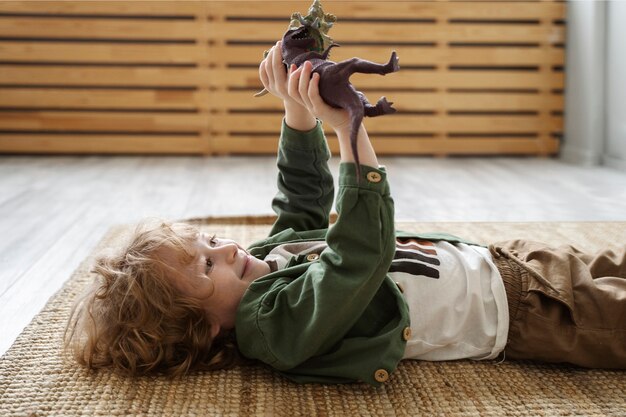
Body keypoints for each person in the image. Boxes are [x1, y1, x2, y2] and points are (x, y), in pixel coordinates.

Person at [65, 42, 626, 387]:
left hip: (507, 263)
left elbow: (300, 200)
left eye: (209, 242)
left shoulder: (261, 262)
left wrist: (295, 111)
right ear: (204, 328)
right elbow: (357, 256)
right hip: (528, 317)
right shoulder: (275, 327)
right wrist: (349, 130)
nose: (229, 250)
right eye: (208, 267)